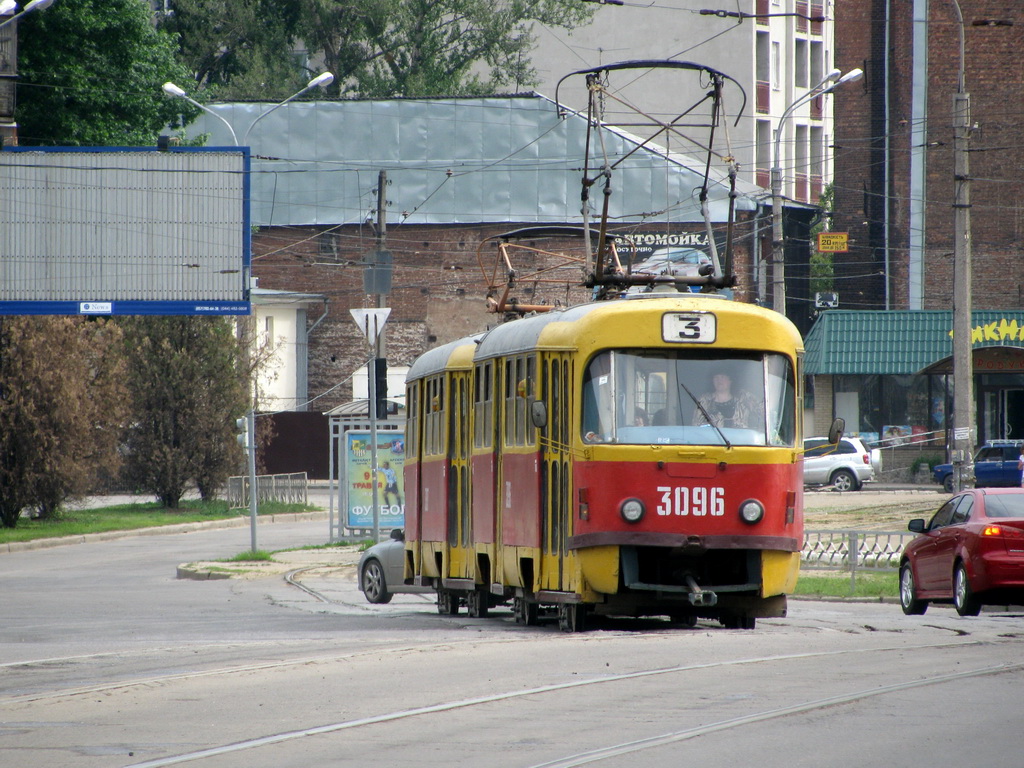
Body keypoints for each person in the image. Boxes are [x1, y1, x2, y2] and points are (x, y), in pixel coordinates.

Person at [692, 371, 760, 429]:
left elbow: (763, 412)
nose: (719, 380)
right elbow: (696, 426)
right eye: (716, 377)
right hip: (713, 442)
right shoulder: (705, 400)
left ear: (730, 380)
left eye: (722, 377)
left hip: (741, 442)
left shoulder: (743, 397)